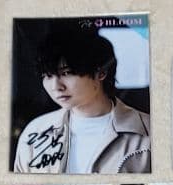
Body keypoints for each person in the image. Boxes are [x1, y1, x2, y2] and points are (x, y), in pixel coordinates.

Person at [13, 21, 150, 174]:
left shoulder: (148, 131)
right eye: (48, 75)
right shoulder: (35, 131)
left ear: (101, 73)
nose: (56, 86)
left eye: (66, 73)